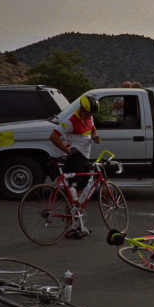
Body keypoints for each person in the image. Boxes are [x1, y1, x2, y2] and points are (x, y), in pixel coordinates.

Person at [49, 94, 101, 237]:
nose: (89, 117)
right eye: (87, 114)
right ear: (81, 109)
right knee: (72, 196)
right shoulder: (70, 121)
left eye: (91, 114)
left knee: (80, 194)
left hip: (85, 159)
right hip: (75, 160)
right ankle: (69, 228)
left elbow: (93, 129)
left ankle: (76, 225)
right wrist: (67, 150)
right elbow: (53, 136)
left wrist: (95, 136)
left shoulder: (89, 117)